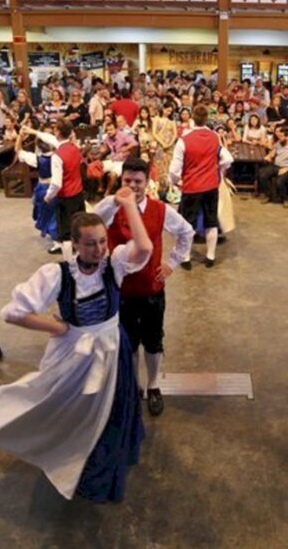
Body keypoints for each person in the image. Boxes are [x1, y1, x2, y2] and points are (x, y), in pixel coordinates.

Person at [0, 191, 152, 503]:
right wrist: (58, 327)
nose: (99, 249)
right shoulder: (57, 274)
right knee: (71, 407)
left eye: (102, 241)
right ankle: (70, 451)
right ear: (74, 243)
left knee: (114, 406)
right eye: (90, 243)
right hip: (76, 352)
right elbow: (13, 312)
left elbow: (144, 247)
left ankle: (106, 456)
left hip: (113, 347)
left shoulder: (113, 265)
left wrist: (128, 205)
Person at [93, 159, 194, 417]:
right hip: (121, 292)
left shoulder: (160, 210)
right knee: (128, 342)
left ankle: (153, 386)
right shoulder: (111, 208)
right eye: (127, 180)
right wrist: (115, 200)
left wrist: (172, 263)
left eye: (138, 181)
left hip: (151, 289)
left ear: (147, 182)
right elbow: (92, 220)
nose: (133, 186)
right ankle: (134, 385)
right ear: (121, 180)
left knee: (152, 341)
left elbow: (186, 232)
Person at [169, 104, 233, 268]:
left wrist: (178, 181)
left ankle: (185, 258)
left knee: (186, 223)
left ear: (192, 119)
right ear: (206, 119)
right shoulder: (214, 137)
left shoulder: (184, 140)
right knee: (211, 221)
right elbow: (227, 158)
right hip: (211, 186)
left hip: (191, 187)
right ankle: (210, 257)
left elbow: (174, 170)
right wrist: (217, 168)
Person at [39, 120, 86, 255]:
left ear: (58, 132)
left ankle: (69, 261)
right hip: (78, 193)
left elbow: (56, 183)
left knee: (65, 231)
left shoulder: (57, 156)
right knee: (79, 226)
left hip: (66, 197)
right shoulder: (75, 147)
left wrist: (48, 197)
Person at [257, 125, 288, 208]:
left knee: (279, 182)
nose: (279, 137)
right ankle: (269, 195)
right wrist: (269, 156)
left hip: (287, 168)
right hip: (276, 166)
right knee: (261, 174)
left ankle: (285, 199)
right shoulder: (279, 143)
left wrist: (286, 169)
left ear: (287, 137)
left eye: (281, 136)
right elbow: (274, 152)